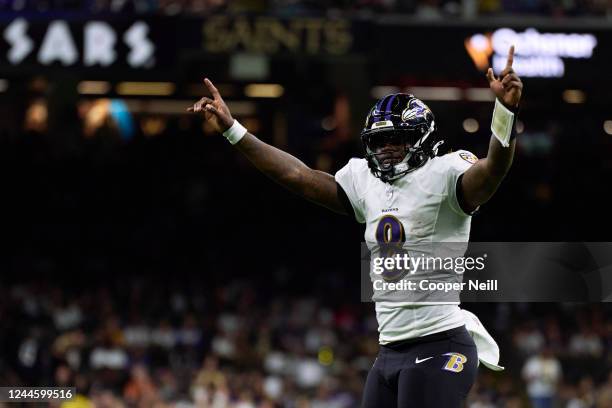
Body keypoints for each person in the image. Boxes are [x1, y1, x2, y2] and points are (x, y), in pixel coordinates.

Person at [188, 46, 523, 407]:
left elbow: (492, 172)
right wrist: (233, 131)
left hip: (440, 343)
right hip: (390, 349)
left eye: (397, 139)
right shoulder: (365, 180)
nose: (387, 149)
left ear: (421, 138)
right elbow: (298, 176)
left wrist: (504, 112)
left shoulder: (444, 174)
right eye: (380, 141)